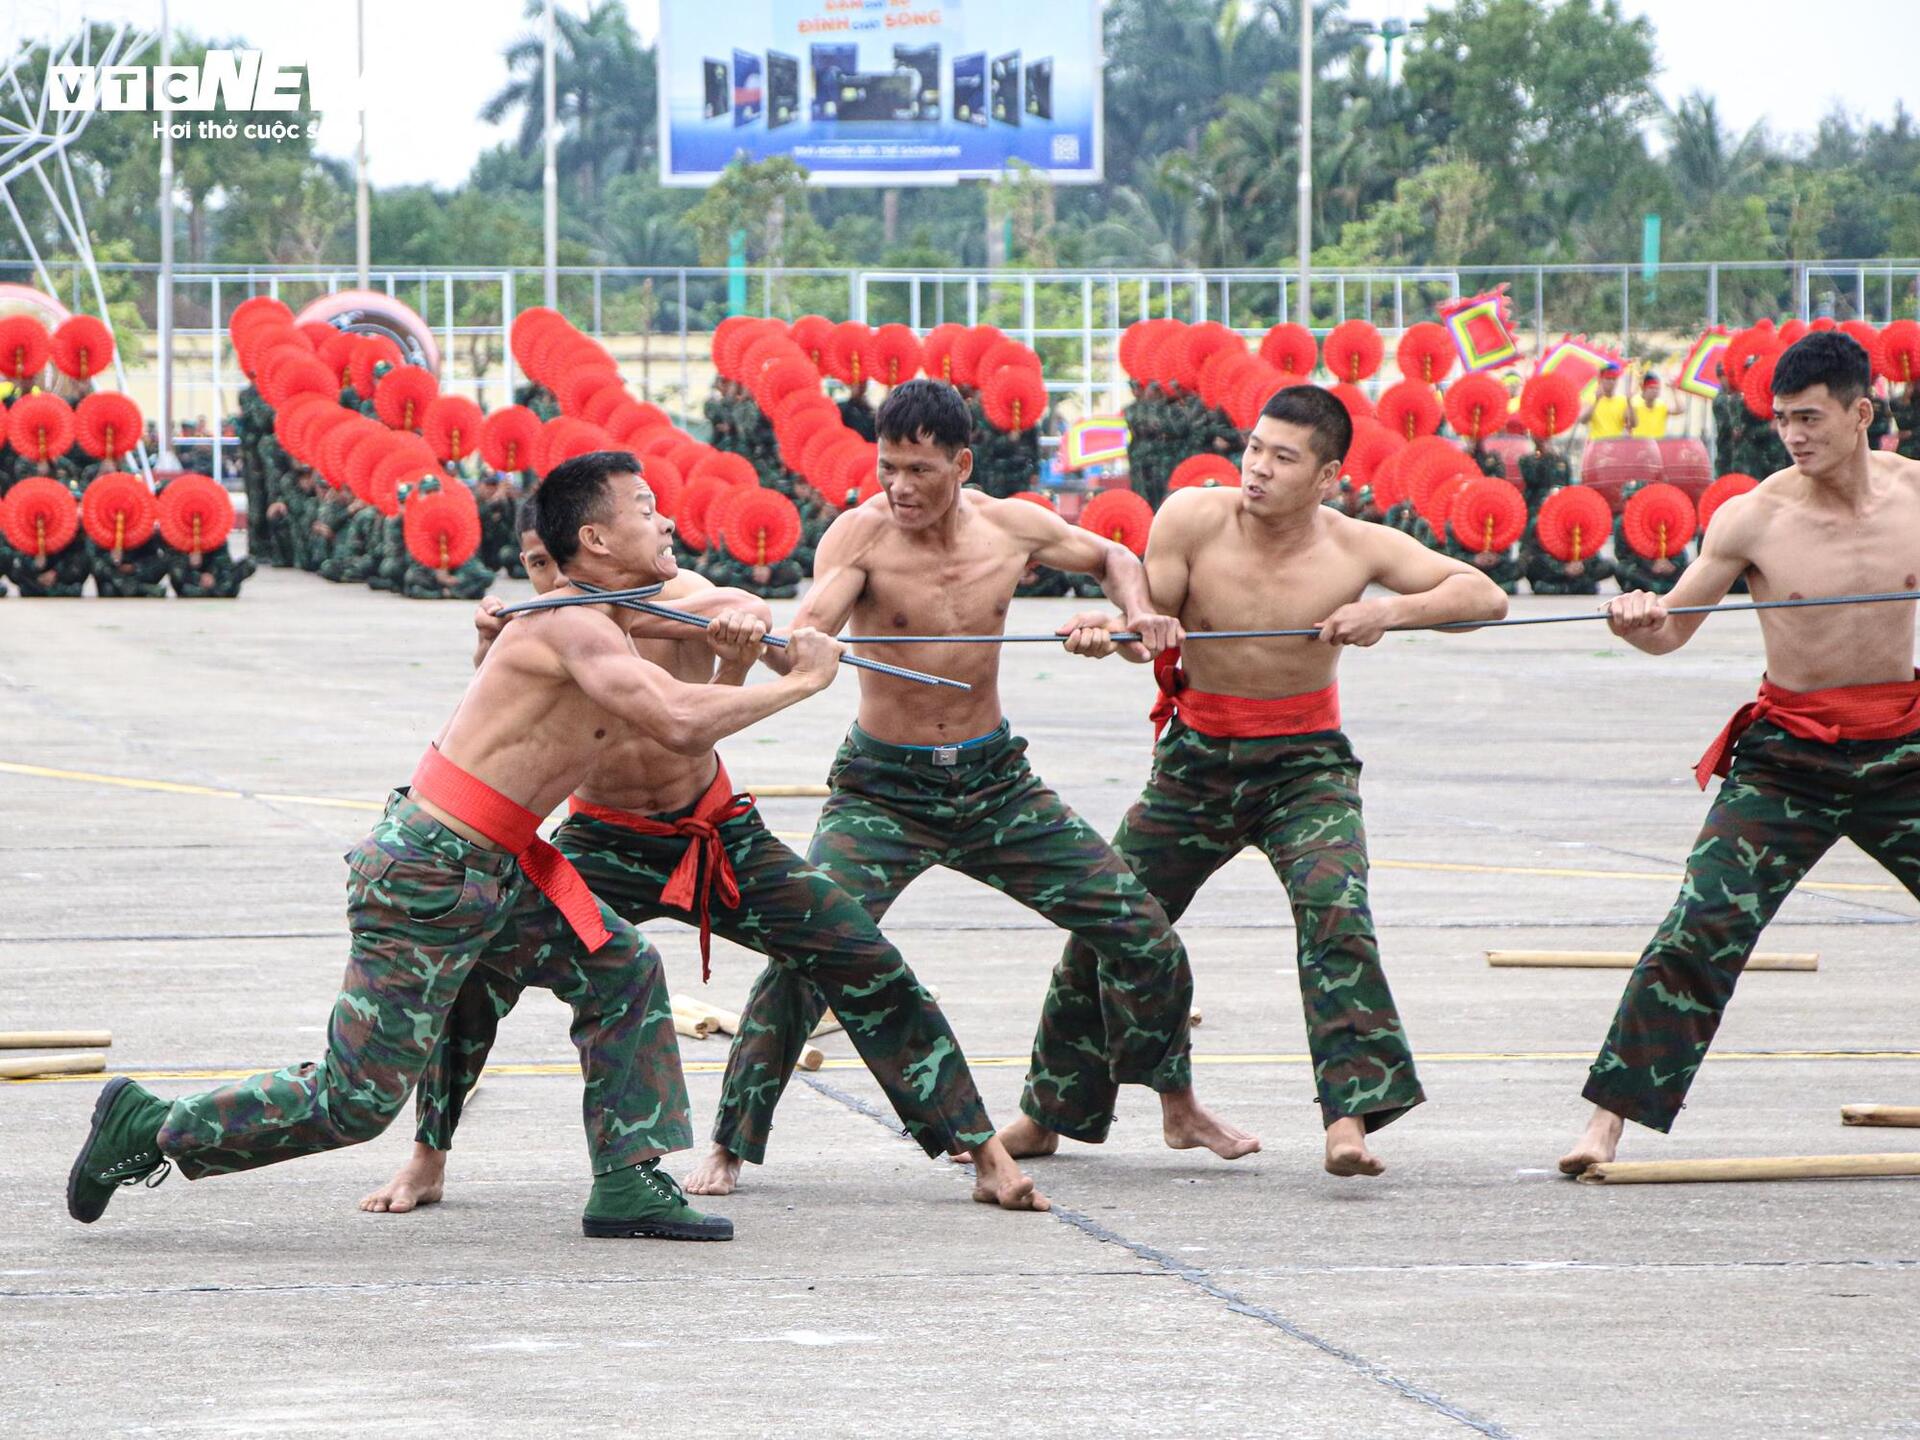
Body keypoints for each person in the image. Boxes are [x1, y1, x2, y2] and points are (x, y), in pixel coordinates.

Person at [66, 451, 846, 1240]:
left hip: (494, 867)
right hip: (429, 872)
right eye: (645, 509)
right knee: (355, 1103)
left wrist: (749, 624)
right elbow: (677, 719)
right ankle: (151, 1125)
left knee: (621, 967)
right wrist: (801, 684)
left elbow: (702, 605)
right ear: (597, 540)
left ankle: (627, 1182)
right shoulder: (574, 625)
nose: (667, 520)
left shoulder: (610, 612)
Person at [362, 498, 1046, 1215]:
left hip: (716, 834)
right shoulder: (548, 629)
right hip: (601, 839)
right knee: (480, 971)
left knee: (860, 955)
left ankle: (982, 1148)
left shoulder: (688, 600)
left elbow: (739, 649)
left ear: (592, 548)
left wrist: (747, 639)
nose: (547, 579)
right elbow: (500, 725)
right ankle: (426, 1157)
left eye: (554, 562)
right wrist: (486, 646)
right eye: (535, 565)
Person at [684, 379, 1256, 1196]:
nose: (900, 488)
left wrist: (1132, 617)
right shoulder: (860, 538)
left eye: (919, 470)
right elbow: (807, 640)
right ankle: (730, 1144)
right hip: (884, 793)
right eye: (888, 468)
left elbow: (1113, 556)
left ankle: (1176, 1102)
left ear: (962, 463)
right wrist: (759, 640)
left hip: (996, 785)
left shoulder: (1012, 527)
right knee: (807, 952)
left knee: (1141, 931)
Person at [1055, 387, 1508, 1175]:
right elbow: (1146, 626)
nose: (1257, 468)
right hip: (1195, 761)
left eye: (1282, 457)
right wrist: (1114, 637)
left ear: (1328, 475)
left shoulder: (1355, 548)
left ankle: (1350, 1120)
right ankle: (1051, 1107)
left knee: (1336, 910)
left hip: (1305, 766)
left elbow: (1485, 595)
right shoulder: (1191, 518)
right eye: (1255, 447)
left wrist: (1387, 616)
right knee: (1113, 915)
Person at [1560, 333, 1920, 1174]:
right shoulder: (1753, 516)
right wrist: (1637, 622)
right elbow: (1673, 631)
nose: (1794, 436)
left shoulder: (1918, 499)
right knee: (1700, 927)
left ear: (1862, 412)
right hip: (1788, 756)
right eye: (1782, 421)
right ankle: (1605, 1123)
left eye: (1811, 418)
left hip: (1902, 749)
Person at [1583, 365, 1630, 440]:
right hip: (1596, 444)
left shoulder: (1623, 400)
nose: (1611, 382)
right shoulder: (1590, 399)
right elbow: (1583, 420)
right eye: (1608, 379)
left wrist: (1630, 403)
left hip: (1616, 444)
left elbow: (1630, 424)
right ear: (1600, 380)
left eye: (1614, 379)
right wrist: (1596, 401)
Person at [1630, 373, 1671, 438]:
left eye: (1657, 388)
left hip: (1658, 445)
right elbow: (1631, 424)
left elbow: (1679, 410)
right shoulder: (1634, 403)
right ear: (1643, 388)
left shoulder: (1662, 405)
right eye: (1651, 388)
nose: (1655, 391)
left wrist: (1674, 391)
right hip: (1638, 445)